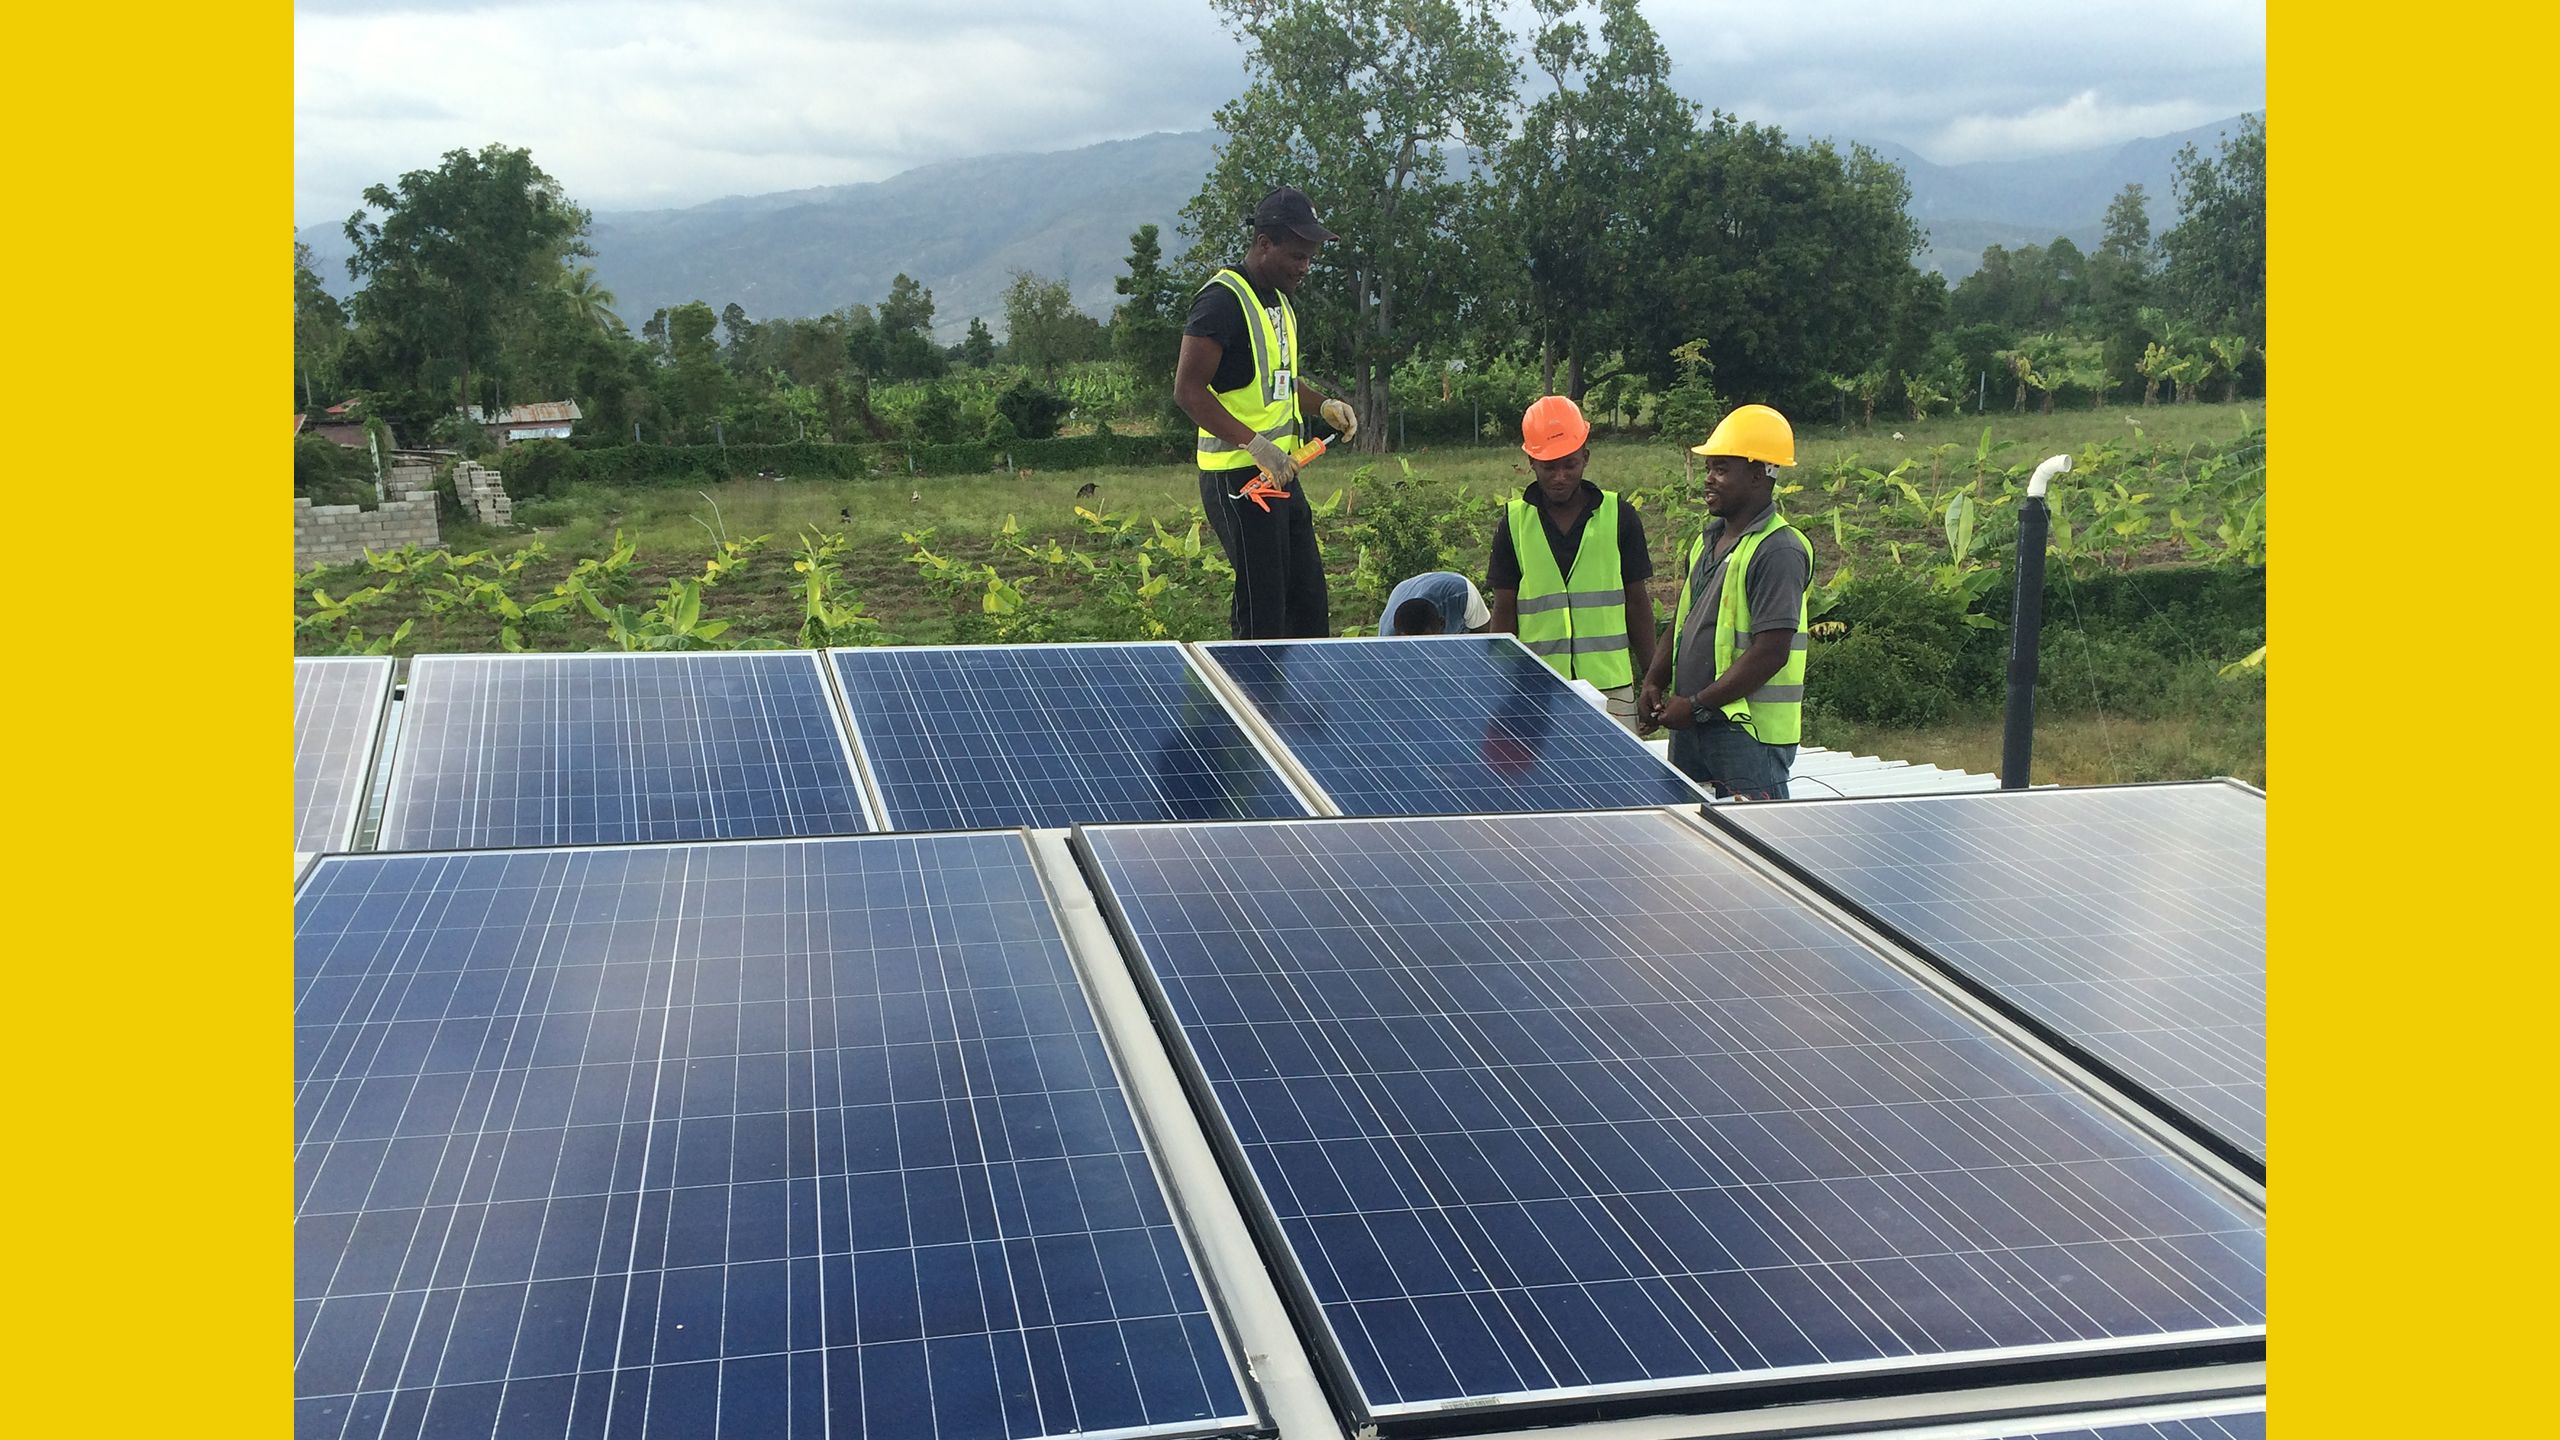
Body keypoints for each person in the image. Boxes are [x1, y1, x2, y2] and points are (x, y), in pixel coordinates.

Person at [1175, 186, 1361, 639]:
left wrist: (1324, 405)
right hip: (1238, 479)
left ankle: (1300, 707)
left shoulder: (1278, 303)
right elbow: (1188, 391)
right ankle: (1253, 706)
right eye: (1297, 255)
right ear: (1264, 244)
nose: (1305, 267)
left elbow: (1279, 382)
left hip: (1279, 475)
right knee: (1264, 613)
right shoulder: (1221, 301)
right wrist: (1255, 444)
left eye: (1310, 257)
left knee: (1309, 602)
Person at [1639, 404, 1812, 800]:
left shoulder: (1778, 550)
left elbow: (1771, 653)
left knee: (1754, 846)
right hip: (1696, 726)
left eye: (1721, 469)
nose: (1709, 480)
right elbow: (1682, 624)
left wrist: (1698, 705)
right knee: (1690, 847)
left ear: (1757, 475)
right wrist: (1654, 678)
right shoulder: (1708, 541)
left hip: (1748, 735)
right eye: (1708, 469)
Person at [1486, 395, 1655, 730]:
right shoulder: (1514, 522)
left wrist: (1651, 680)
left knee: (1617, 778)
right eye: (1549, 467)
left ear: (1586, 458)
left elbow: (1637, 603)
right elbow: (1504, 609)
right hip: (1537, 687)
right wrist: (1499, 682)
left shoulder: (1619, 516)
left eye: (1570, 464)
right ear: (1531, 462)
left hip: (1610, 687)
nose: (1560, 476)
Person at [1378, 571, 1491, 636]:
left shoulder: (1462, 595)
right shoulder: (1388, 638)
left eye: (1426, 641)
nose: (1420, 649)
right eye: (1410, 644)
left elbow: (1484, 638)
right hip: (1404, 589)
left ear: (1442, 623)